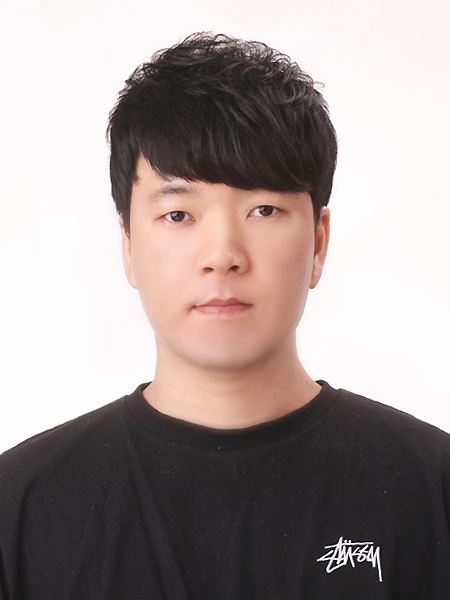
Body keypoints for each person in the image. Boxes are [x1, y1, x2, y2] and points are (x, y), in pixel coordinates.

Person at [0, 32, 449, 600]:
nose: (222, 254)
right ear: (128, 246)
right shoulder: (21, 508)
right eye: (179, 214)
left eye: (264, 209)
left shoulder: (431, 488)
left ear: (318, 243)